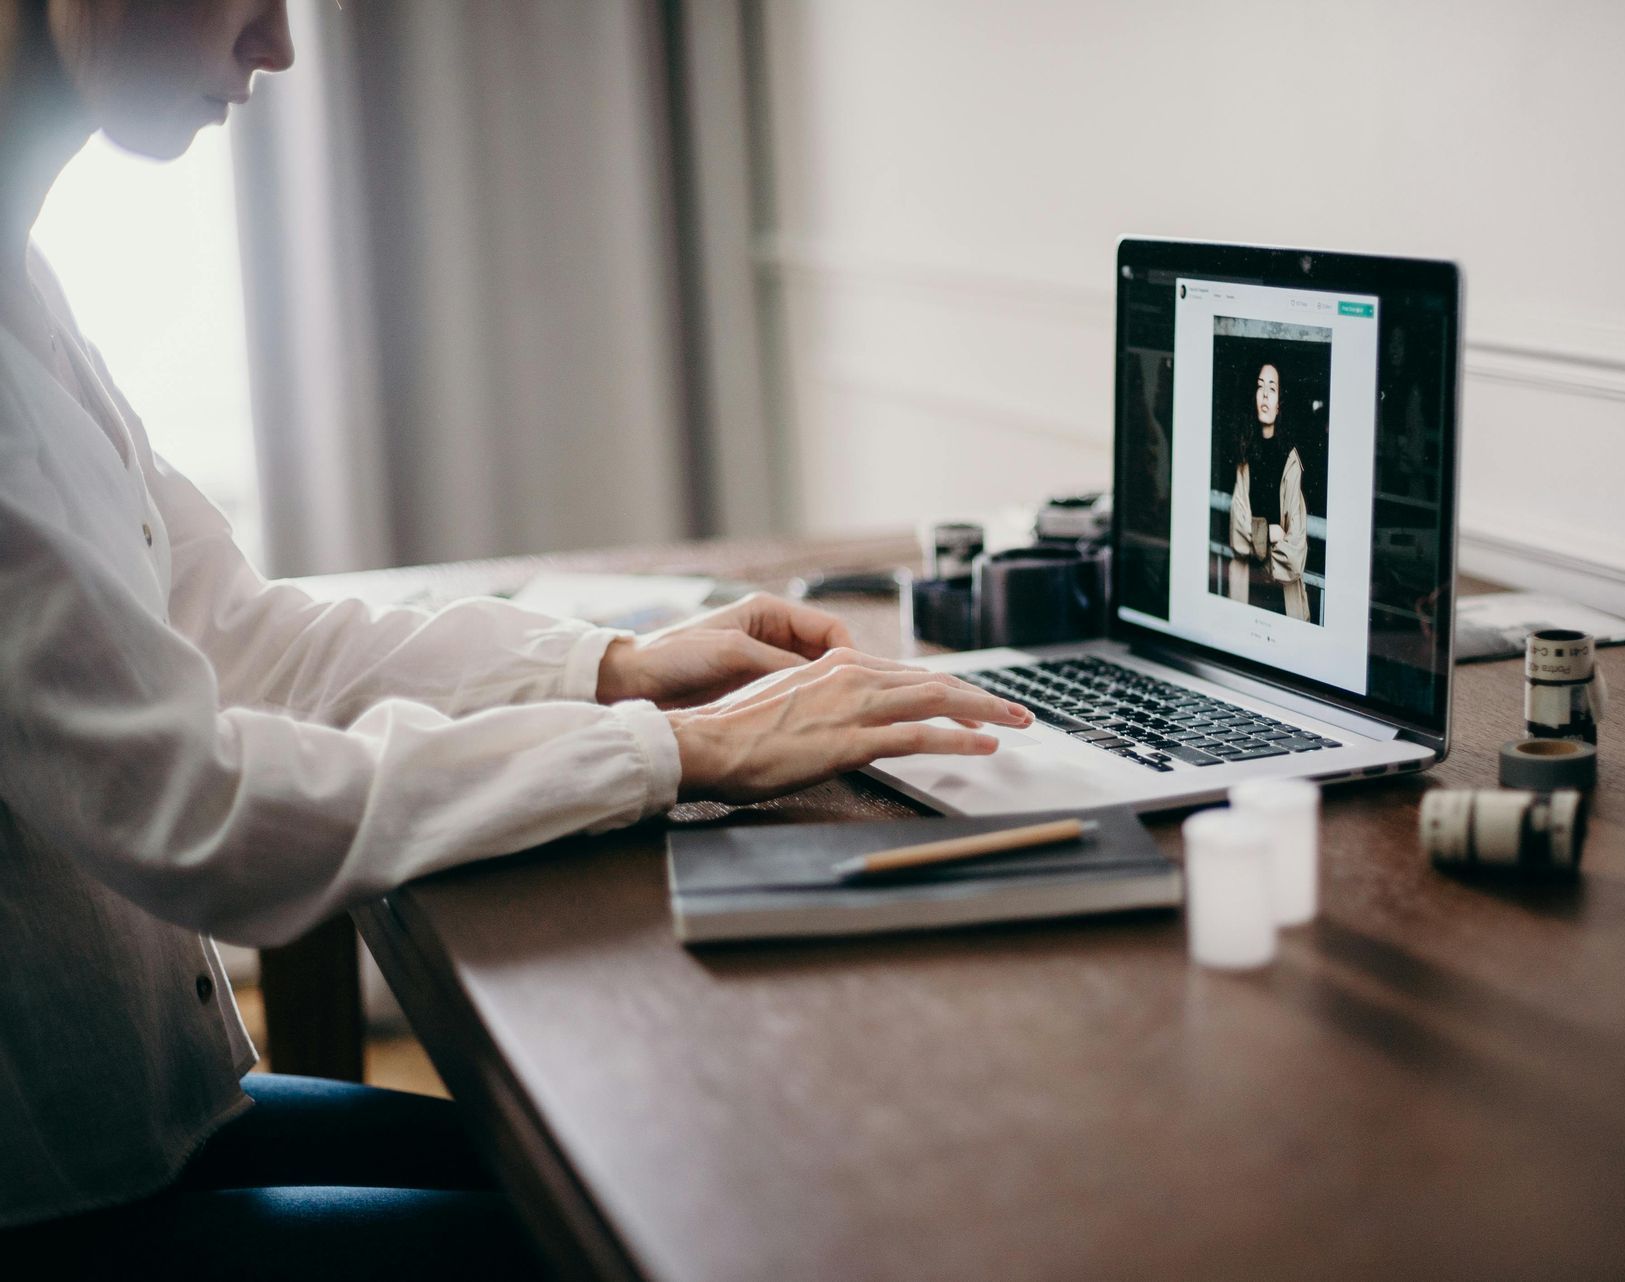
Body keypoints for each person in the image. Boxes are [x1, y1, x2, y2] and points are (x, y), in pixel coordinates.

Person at [0, 2, 1031, 1275]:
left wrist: (610, 670)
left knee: (657, 1174)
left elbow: (234, 631)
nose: (276, 46)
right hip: (60, 1209)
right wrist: (676, 751)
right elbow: (190, 808)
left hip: (144, 1126)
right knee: (698, 1231)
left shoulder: (22, 282)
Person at [1226, 359, 1309, 619]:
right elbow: (1236, 534)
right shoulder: (1245, 457)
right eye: (1260, 386)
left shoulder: (1291, 461)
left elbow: (1295, 552)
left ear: (1280, 402)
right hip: (1247, 591)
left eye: (1272, 389)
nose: (1264, 394)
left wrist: (1258, 550)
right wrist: (1269, 532)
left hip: (1282, 599)